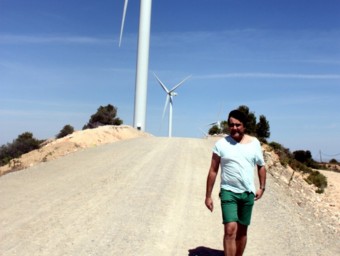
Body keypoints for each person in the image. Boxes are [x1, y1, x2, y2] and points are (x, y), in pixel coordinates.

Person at [205, 109, 266, 256]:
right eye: (231, 125)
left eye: (238, 125)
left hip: (247, 193)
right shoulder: (221, 144)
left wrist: (262, 187)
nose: (234, 128)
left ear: (244, 126)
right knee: (230, 230)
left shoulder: (254, 144)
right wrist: (208, 195)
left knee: (242, 232)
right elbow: (213, 170)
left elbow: (261, 166)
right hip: (228, 192)